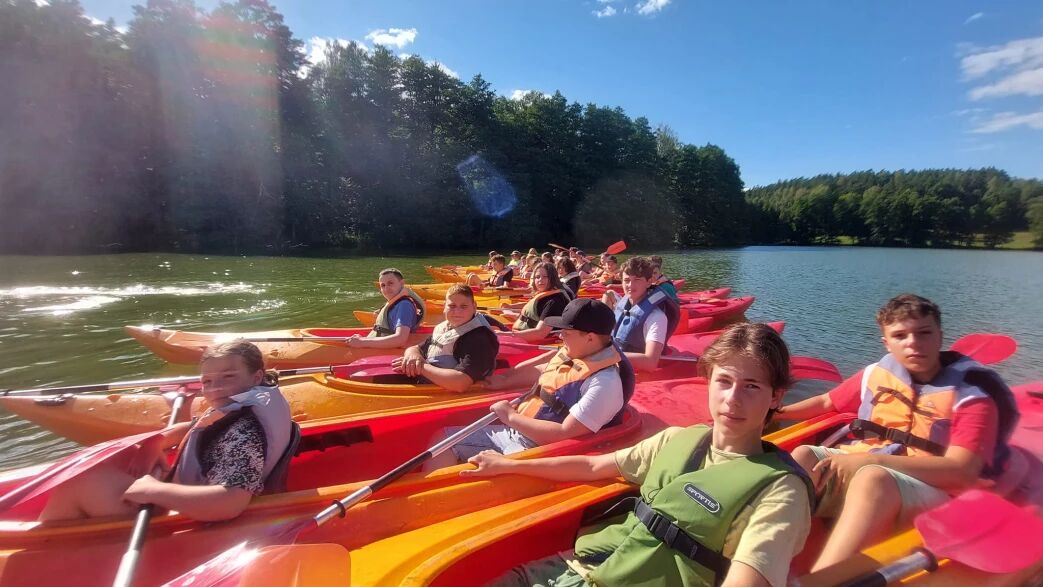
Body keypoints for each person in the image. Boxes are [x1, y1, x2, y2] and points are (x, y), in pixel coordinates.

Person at [466, 323, 813, 587]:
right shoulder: (677, 439)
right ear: (708, 382)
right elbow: (592, 466)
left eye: (751, 386)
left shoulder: (780, 492)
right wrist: (509, 464)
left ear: (775, 397)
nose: (732, 399)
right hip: (574, 567)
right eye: (724, 381)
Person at [777, 294, 1018, 572]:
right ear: (887, 343)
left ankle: (822, 579)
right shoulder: (877, 373)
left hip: (936, 486)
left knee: (874, 478)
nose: (913, 343)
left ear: (940, 336)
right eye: (900, 336)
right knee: (804, 456)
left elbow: (961, 471)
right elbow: (827, 402)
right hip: (877, 462)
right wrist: (774, 413)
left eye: (924, 333)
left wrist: (869, 461)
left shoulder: (972, 394)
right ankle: (771, 558)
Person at [40, 340, 296, 522]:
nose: (215, 388)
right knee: (117, 459)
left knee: (77, 483)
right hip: (193, 486)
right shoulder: (241, 405)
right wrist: (156, 441)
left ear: (256, 377)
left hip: (194, 512)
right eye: (207, 381)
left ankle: (46, 549)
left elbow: (230, 502)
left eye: (228, 377)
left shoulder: (244, 433)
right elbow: (199, 426)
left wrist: (154, 491)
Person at [425, 299, 635, 472]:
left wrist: (510, 416)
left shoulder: (605, 383)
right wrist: (505, 379)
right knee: (443, 440)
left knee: (461, 454)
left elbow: (564, 433)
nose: (560, 336)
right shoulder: (578, 352)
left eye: (566, 332)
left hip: (543, 452)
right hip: (521, 432)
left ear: (590, 338)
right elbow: (545, 370)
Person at [392, 284, 500, 393]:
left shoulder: (479, 339)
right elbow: (416, 348)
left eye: (463, 306)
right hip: (429, 383)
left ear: (474, 306)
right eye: (452, 306)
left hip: (453, 394)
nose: (457, 311)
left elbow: (461, 383)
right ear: (444, 307)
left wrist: (421, 367)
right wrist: (413, 356)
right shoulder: (447, 327)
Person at [603, 256, 680, 372]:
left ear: (649, 282)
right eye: (627, 280)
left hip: (632, 370)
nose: (630, 285)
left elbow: (650, 362)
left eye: (637, 280)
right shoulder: (623, 305)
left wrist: (605, 356)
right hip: (614, 361)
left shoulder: (656, 317)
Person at [347, 268, 425, 350]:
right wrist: (362, 339)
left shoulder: (404, 306)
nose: (386, 289)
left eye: (390, 283)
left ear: (402, 283)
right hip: (376, 346)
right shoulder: (396, 303)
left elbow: (400, 339)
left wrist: (362, 342)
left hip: (385, 352)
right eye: (383, 285)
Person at [497, 262, 572, 343]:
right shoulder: (546, 294)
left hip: (534, 340)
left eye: (545, 277)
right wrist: (510, 307)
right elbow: (533, 309)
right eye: (537, 277)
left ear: (553, 278)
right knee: (491, 325)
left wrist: (505, 334)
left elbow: (540, 333)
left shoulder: (555, 302)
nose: (540, 280)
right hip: (522, 330)